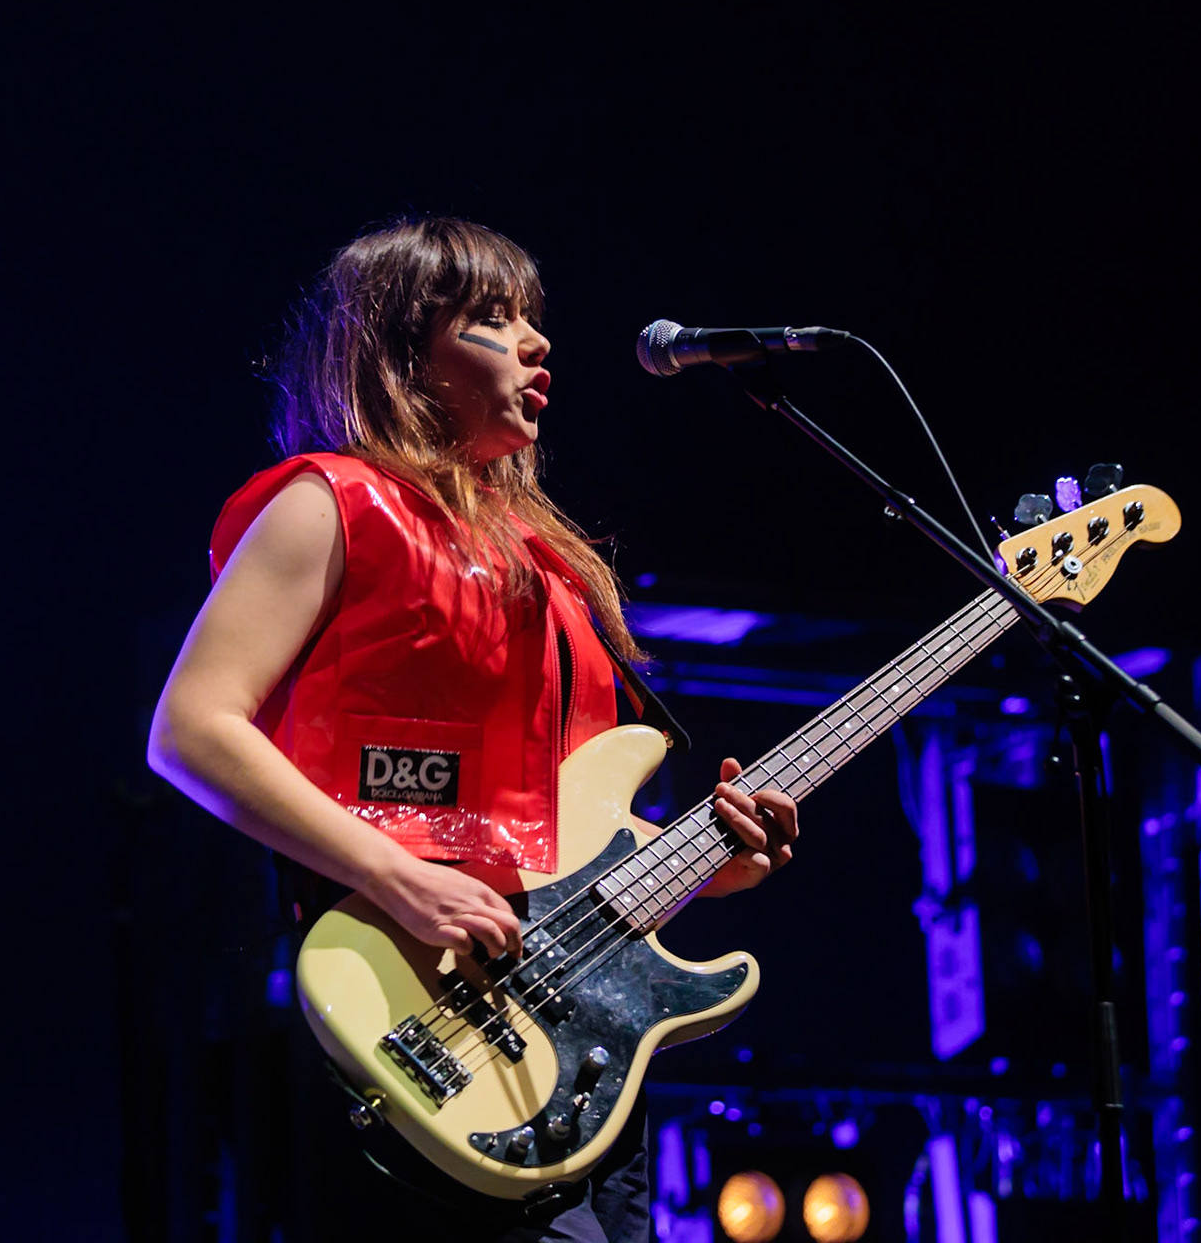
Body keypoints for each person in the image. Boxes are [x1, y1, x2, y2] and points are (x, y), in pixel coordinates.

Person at [147, 216, 798, 1243]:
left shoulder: (552, 569)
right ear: (403, 355)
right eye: (492, 321)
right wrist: (399, 871)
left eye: (534, 320)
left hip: (572, 1041)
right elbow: (190, 728)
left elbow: (565, 832)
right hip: (396, 1008)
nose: (537, 343)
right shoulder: (333, 505)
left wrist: (701, 861)